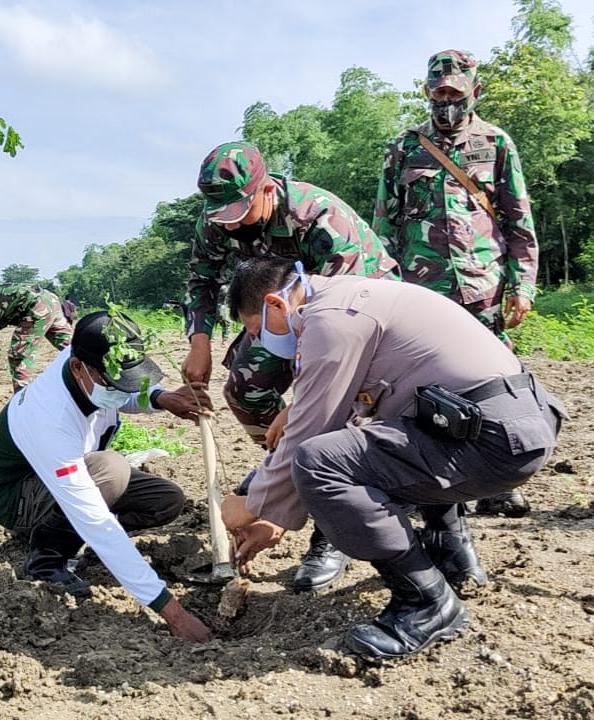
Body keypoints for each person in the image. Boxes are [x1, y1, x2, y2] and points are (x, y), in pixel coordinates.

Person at [220, 257, 566, 659]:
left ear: (275, 304)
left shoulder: (331, 318)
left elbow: (310, 437)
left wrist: (254, 505)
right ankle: (450, 554)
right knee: (378, 447)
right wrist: (277, 508)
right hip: (518, 424)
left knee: (320, 463)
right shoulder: (355, 295)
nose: (263, 342)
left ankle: (426, 604)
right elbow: (352, 416)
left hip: (490, 438)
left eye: (257, 330)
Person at [182, 141, 400, 595]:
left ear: (266, 189)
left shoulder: (319, 220)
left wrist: (301, 406)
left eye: (240, 210)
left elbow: (342, 334)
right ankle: (291, 475)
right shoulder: (219, 214)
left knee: (336, 418)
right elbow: (201, 277)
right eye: (222, 215)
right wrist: (199, 340)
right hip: (282, 311)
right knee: (246, 387)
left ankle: (332, 527)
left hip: (362, 320)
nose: (231, 223)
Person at [0, 310, 214, 642]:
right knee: (110, 470)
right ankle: (47, 558)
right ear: (78, 369)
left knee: (166, 500)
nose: (120, 390)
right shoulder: (50, 419)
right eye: (113, 382)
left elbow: (123, 391)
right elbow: (95, 518)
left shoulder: (88, 363)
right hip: (11, 494)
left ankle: (82, 540)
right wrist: (173, 613)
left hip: (58, 477)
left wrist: (162, 398)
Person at [373, 49, 540, 519]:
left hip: (482, 287)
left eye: (455, 94)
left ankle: (499, 482)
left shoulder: (497, 143)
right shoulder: (403, 148)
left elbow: (519, 221)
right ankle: (435, 482)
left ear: (474, 92)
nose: (446, 101)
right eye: (438, 92)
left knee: (498, 381)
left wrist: (521, 285)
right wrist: (385, 289)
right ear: (426, 91)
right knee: (423, 385)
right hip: (422, 292)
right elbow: (384, 225)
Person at [0, 283, 73, 406]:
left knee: (18, 357)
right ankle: (94, 363)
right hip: (50, 299)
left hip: (36, 307)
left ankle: (24, 405)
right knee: (75, 347)